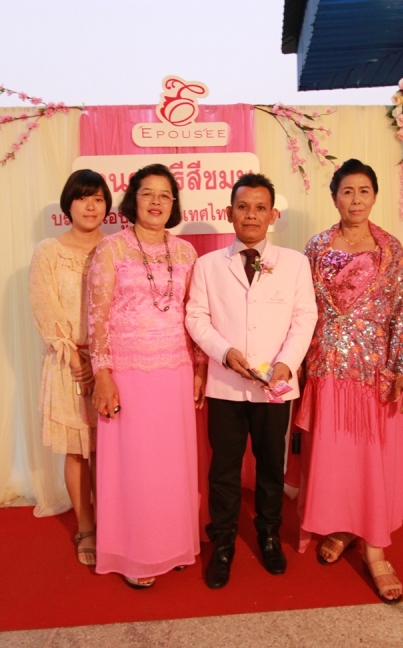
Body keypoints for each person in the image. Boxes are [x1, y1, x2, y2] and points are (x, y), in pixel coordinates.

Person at [296, 158, 403, 604]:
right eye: (347, 191)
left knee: (372, 461)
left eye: (364, 191)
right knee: (336, 460)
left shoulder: (390, 250)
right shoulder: (316, 247)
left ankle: (376, 550)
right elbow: (302, 309)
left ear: (374, 196)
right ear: (334, 197)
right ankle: (345, 527)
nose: (356, 199)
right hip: (327, 371)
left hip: (374, 374)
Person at [185, 173, 317, 589]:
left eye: (260, 208)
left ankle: (269, 533)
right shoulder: (208, 265)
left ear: (272, 215)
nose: (251, 215)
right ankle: (223, 540)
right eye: (243, 207)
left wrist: (287, 363)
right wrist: (223, 352)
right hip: (225, 385)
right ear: (229, 212)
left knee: (271, 465)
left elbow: (305, 318)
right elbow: (195, 317)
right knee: (223, 467)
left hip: (275, 386)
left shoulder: (294, 263)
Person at [88, 163, 206, 589]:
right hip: (128, 373)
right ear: (132, 199)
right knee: (135, 466)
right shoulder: (111, 249)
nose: (156, 202)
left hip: (175, 370)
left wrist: (199, 367)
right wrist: (103, 375)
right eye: (147, 193)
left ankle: (174, 544)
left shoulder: (186, 252)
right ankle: (135, 552)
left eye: (165, 195)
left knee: (171, 465)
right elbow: (97, 317)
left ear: (174, 203)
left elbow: (195, 316)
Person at [29, 169, 112, 565]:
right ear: (68, 204)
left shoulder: (116, 249)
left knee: (110, 450)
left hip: (110, 365)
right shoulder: (49, 251)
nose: (90, 206)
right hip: (68, 365)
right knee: (78, 451)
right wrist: (77, 357)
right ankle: (86, 526)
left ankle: (114, 522)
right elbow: (44, 307)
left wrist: (100, 360)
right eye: (82, 198)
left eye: (98, 198)